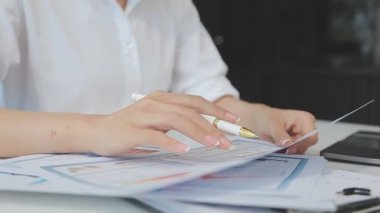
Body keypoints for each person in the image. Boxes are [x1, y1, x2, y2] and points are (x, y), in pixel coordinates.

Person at [0, 0, 317, 158]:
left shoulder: (172, 4)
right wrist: (98, 130)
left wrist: (262, 117)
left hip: (157, 186)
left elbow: (208, 94)